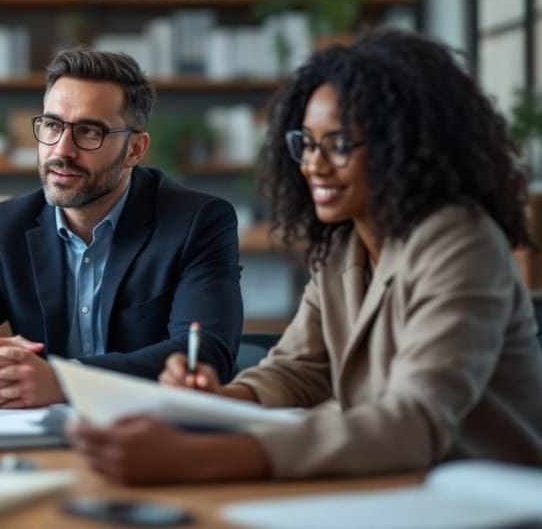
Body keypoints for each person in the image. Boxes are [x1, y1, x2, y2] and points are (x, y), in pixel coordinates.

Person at [68, 29, 542, 484]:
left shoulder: (459, 241)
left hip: (481, 494)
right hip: (389, 485)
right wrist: (215, 403)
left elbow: (413, 422)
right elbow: (297, 370)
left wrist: (196, 456)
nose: (313, 164)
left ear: (405, 145)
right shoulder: (343, 243)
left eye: (338, 145)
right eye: (307, 144)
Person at [0, 47, 244, 408]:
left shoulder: (197, 221)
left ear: (135, 149)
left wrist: (65, 381)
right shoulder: (3, 228)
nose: (61, 149)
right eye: (52, 125)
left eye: (89, 131)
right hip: (39, 438)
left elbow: (206, 356)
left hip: (156, 433)